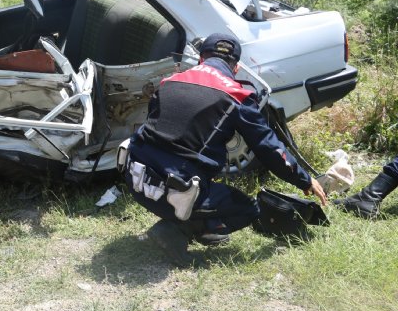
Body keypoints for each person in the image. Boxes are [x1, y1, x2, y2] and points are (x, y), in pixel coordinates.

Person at [122, 33, 327, 266]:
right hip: (173, 191)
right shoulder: (237, 95)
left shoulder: (169, 82)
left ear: (201, 59)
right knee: (246, 209)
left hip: (136, 179)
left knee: (186, 170)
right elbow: (269, 148)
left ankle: (200, 226)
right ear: (236, 67)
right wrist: (304, 180)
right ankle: (176, 230)